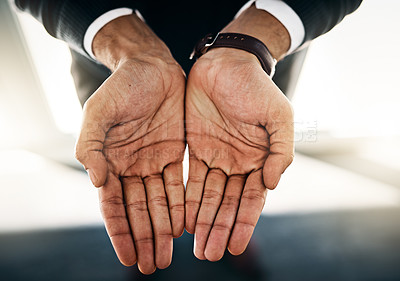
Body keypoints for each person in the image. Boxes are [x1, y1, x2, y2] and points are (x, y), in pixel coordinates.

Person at [13, 0, 362, 275]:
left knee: (240, 170)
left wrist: (257, 37)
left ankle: (227, 244)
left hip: (251, 72)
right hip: (118, 72)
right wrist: (126, 44)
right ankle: (142, 251)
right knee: (127, 170)